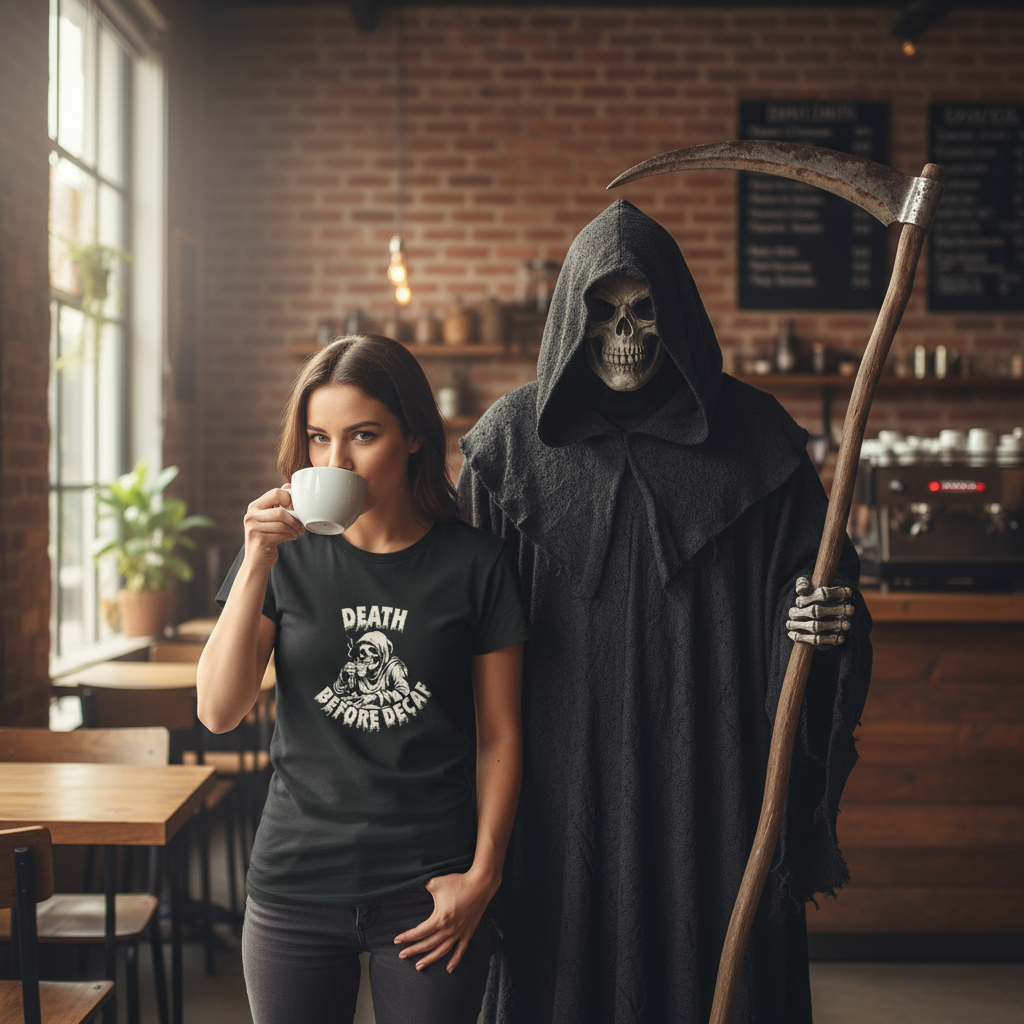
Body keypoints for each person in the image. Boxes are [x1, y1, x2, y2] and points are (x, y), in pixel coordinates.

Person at [458, 200, 872, 1024]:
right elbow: (456, 621)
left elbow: (816, 590)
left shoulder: (756, 439)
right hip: (554, 785)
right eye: (605, 313)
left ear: (677, 316)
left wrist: (825, 622)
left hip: (717, 777)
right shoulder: (509, 447)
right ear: (571, 320)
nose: (625, 332)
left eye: (644, 312)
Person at [198, 334, 530, 1024]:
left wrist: (484, 875)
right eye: (318, 439)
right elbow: (217, 712)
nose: (335, 460)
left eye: (362, 435)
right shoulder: (279, 557)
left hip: (430, 889)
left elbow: (499, 734)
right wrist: (256, 560)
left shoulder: (479, 564)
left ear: (413, 435)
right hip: (295, 883)